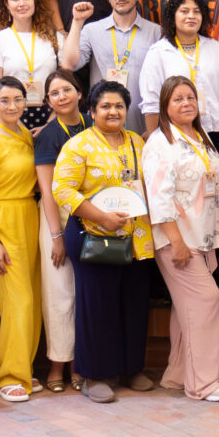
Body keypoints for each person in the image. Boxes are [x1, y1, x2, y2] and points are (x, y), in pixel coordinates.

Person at [51, 81, 157, 403]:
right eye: (105, 106)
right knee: (97, 306)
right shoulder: (79, 145)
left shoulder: (138, 142)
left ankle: (131, 368)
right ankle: (94, 374)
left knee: (134, 304)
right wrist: (101, 217)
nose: (113, 112)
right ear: (93, 111)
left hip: (137, 237)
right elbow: (63, 189)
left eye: (119, 106)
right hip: (93, 235)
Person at [142, 76, 219, 402]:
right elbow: (159, 196)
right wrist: (176, 241)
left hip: (202, 237)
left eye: (190, 97)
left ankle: (178, 375)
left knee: (187, 310)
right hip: (176, 239)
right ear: (165, 105)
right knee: (206, 300)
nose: (185, 103)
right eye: (177, 98)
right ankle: (205, 383)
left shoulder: (199, 137)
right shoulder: (160, 143)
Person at [0, 77, 45, 402]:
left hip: (29, 217)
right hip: (3, 220)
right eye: (5, 100)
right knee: (18, 302)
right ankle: (9, 376)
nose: (13, 106)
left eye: (18, 99)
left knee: (32, 299)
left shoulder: (24, 135)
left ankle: (24, 367)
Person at [30, 70, 86, 393]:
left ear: (79, 92)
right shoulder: (49, 134)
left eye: (67, 89)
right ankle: (57, 363)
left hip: (92, 211)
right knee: (59, 291)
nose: (61, 96)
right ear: (48, 101)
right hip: (58, 216)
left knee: (85, 293)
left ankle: (82, 362)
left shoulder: (94, 123)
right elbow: (47, 190)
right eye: (54, 93)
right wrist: (56, 236)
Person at [60, 0, 160, 132]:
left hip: (143, 126)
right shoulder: (92, 30)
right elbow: (69, 64)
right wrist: (77, 22)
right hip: (103, 125)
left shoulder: (156, 32)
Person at [138, 0, 219, 149]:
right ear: (173, 17)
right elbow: (151, 103)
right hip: (176, 136)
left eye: (197, 12)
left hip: (218, 133)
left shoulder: (215, 48)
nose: (191, 16)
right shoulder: (158, 52)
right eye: (184, 11)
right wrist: (156, 144)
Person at [0, 0, 62, 131]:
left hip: (49, 120)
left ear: (35, 1)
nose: (22, 3)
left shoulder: (49, 38)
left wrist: (49, 126)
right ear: (7, 5)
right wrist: (18, 127)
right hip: (9, 120)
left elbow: (62, 82)